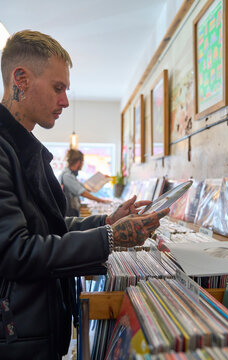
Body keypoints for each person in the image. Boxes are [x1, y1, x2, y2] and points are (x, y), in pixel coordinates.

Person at [0, 29, 169, 360]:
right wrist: (108, 237)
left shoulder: (23, 149)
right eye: (58, 88)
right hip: (17, 336)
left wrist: (107, 220)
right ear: (20, 78)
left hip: (36, 327)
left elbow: (46, 229)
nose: (64, 100)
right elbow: (15, 251)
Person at [59, 148, 110, 216]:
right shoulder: (67, 176)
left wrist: (102, 179)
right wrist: (101, 201)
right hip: (69, 212)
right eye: (82, 161)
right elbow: (83, 192)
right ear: (78, 162)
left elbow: (86, 188)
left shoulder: (70, 175)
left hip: (72, 210)